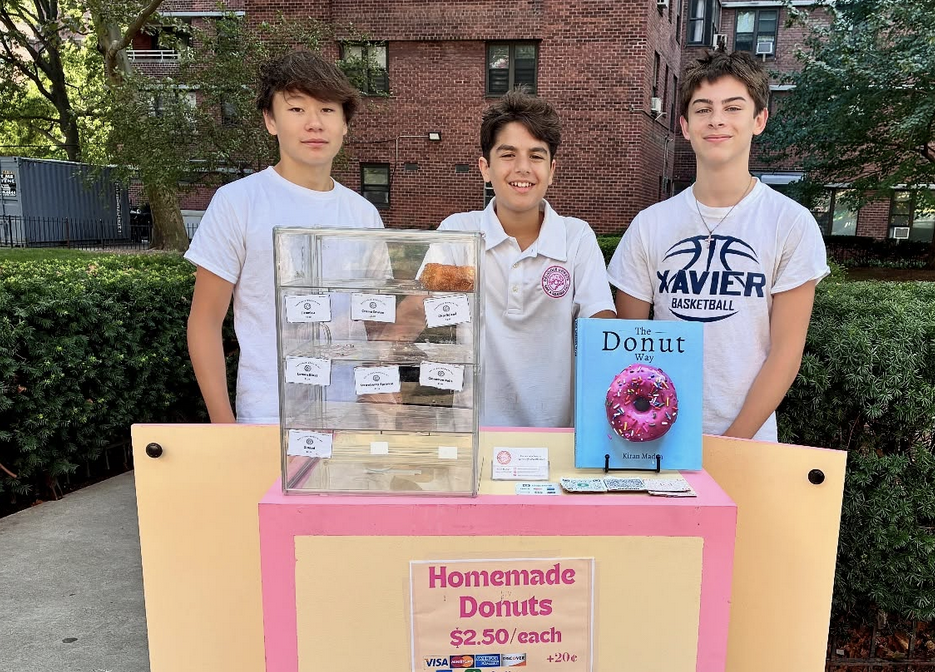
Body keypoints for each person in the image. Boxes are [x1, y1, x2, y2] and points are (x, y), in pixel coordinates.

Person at [608, 49, 828, 441]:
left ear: (759, 120)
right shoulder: (650, 225)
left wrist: (733, 443)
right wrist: (644, 426)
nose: (717, 120)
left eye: (733, 107)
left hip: (748, 442)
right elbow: (628, 344)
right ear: (685, 125)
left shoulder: (790, 223)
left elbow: (786, 354)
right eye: (703, 108)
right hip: (654, 438)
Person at [185, 51, 384, 424]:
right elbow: (205, 322)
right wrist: (225, 427)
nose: (314, 124)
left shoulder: (363, 215)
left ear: (345, 124)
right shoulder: (238, 202)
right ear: (270, 120)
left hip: (352, 416)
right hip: (267, 418)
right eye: (296, 110)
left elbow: (374, 324)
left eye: (327, 110)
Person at [428, 90, 616, 428]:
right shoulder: (459, 231)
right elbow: (421, 309)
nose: (523, 168)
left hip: (557, 435)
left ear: (552, 169)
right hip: (474, 435)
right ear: (485, 167)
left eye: (536, 155)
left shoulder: (577, 237)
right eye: (508, 154)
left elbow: (600, 323)